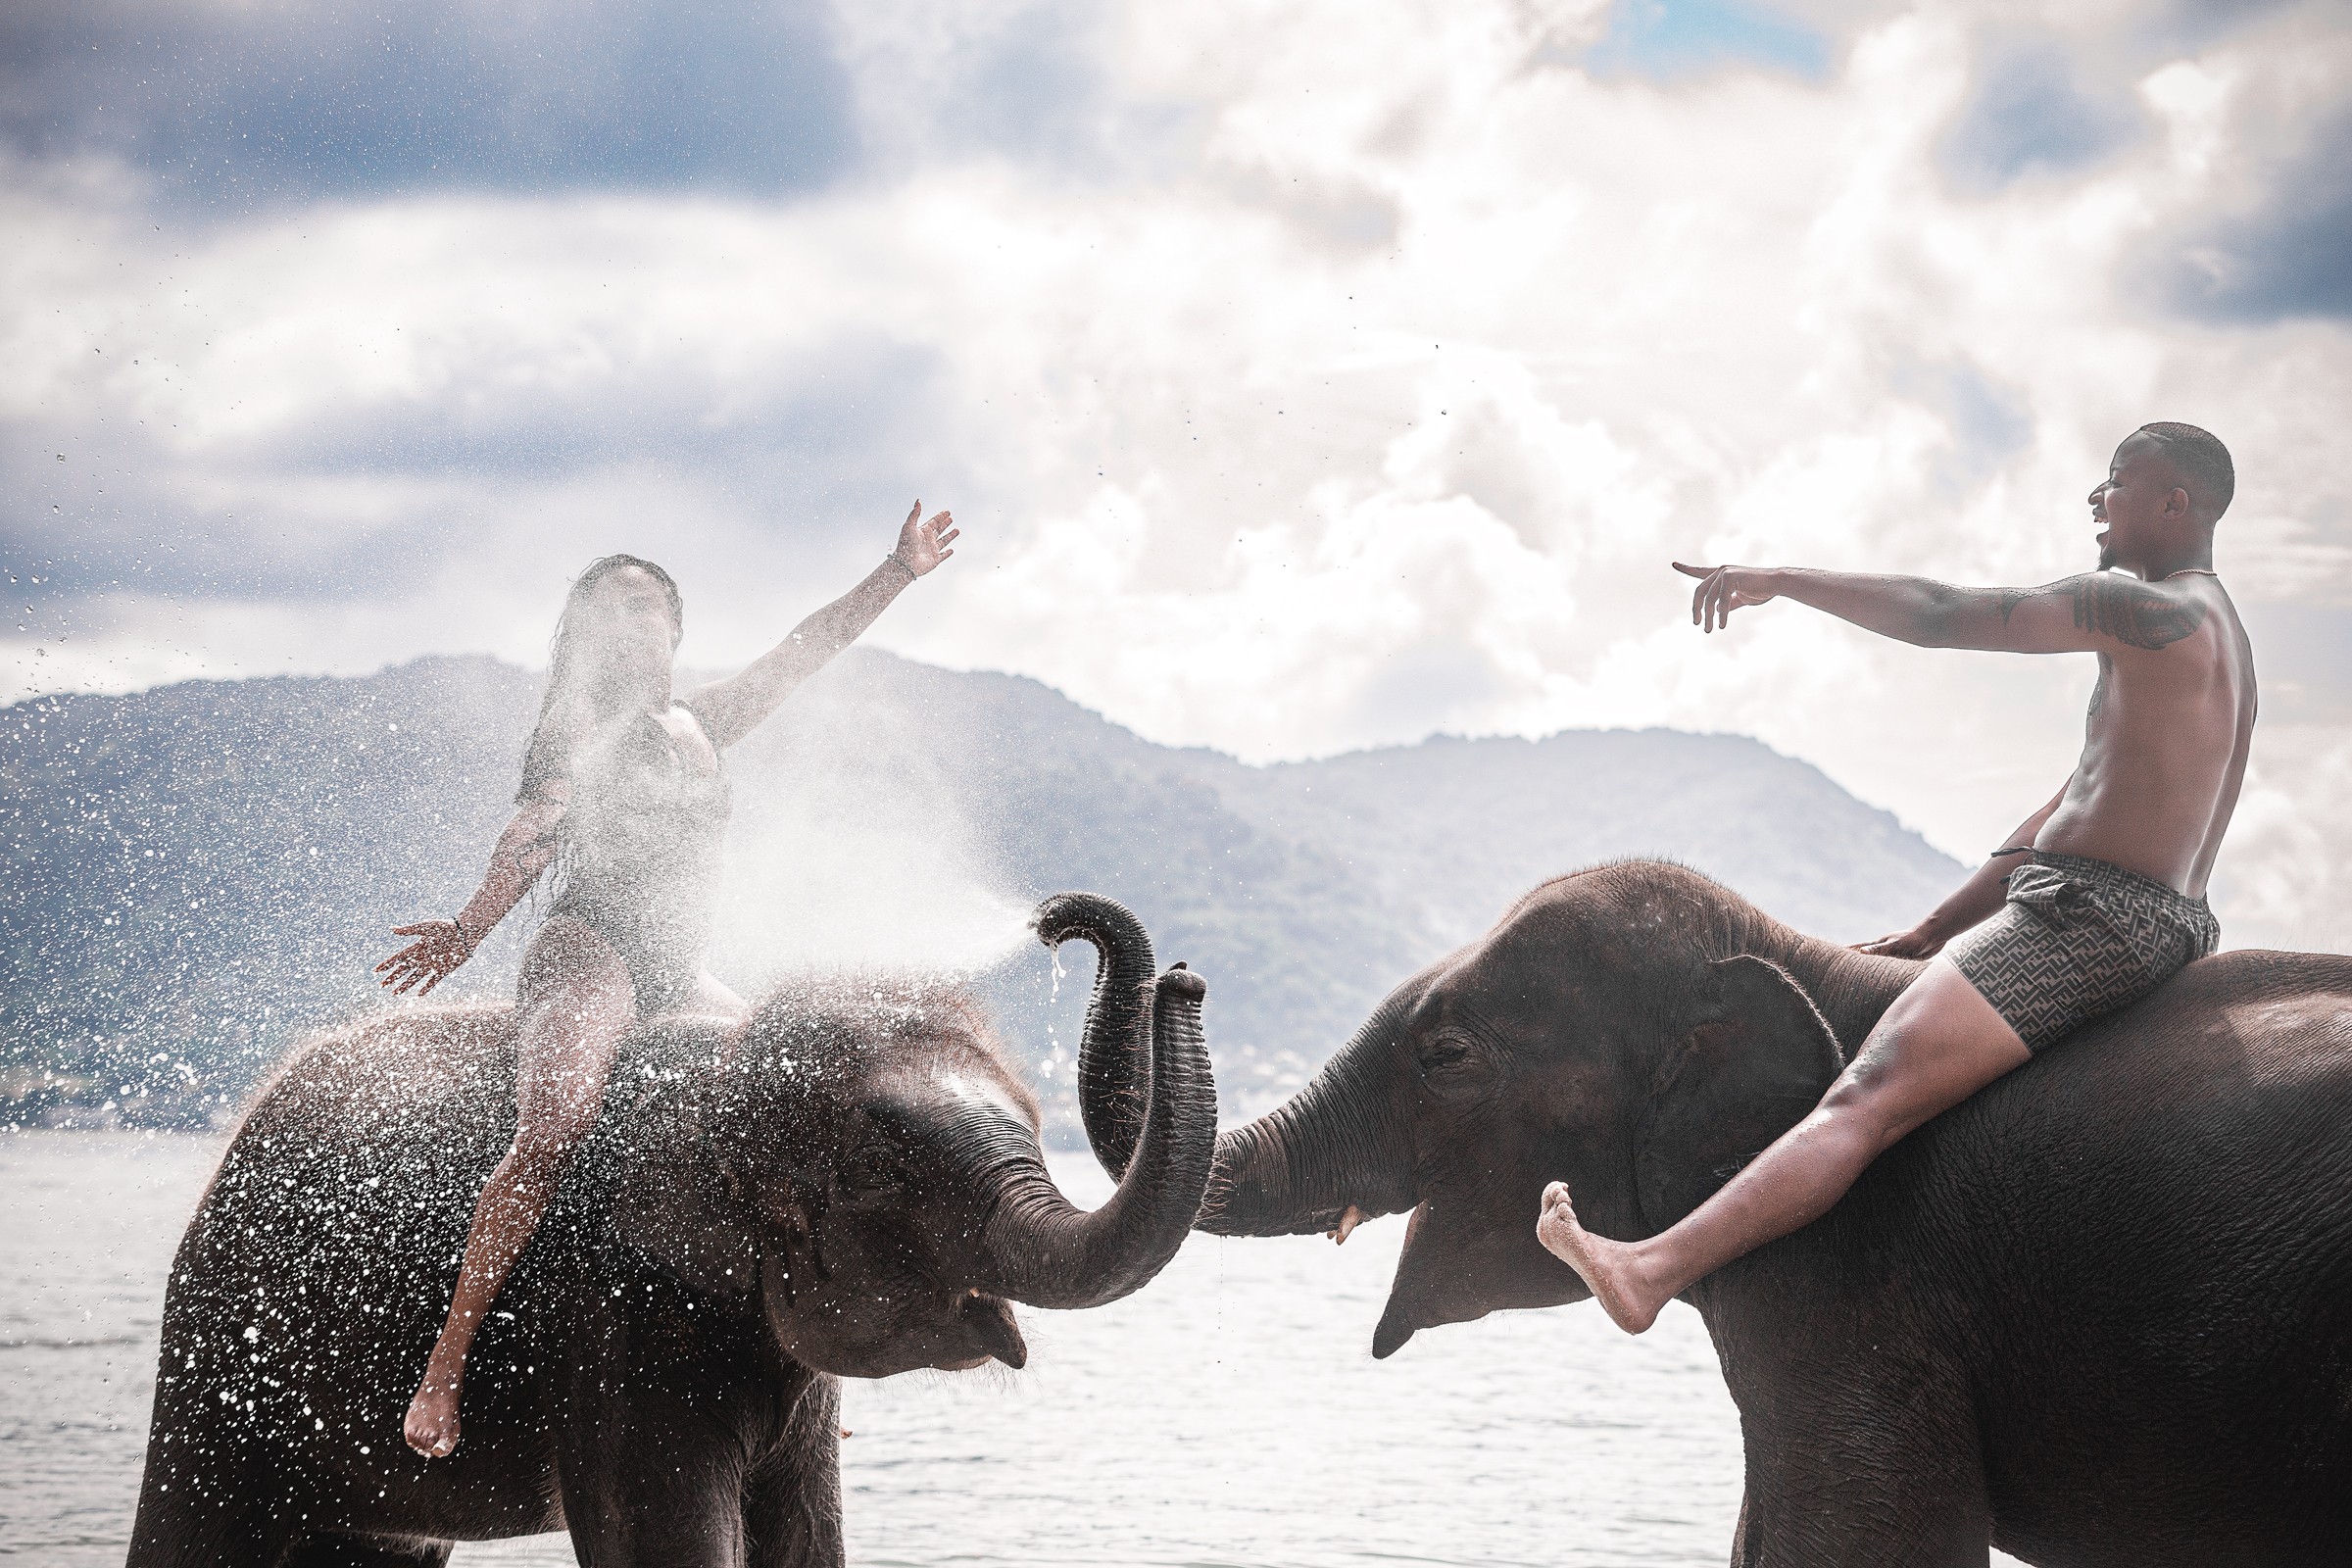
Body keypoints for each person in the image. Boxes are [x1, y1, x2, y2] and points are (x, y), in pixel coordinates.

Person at [1538, 422, 2252, 1333]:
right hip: (2167, 920)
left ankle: (1648, 1270)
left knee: (1864, 1101)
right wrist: (1934, 927)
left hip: (2090, 920)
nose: (2093, 500)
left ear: (2173, 503)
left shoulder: (2150, 611)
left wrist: (1779, 579)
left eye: (2113, 482)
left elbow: (1942, 613)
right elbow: (2080, 799)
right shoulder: (2227, 640)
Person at [375, 502, 960, 1456]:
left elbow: (806, 646)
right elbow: (531, 831)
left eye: (647, 602)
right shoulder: (577, 727)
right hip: (589, 950)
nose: (632, 618)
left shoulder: (705, 720)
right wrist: (471, 925)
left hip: (679, 969)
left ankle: (803, 1362)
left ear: (676, 626)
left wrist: (896, 570)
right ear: (590, 635)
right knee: (557, 1118)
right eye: (611, 606)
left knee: (815, 1097)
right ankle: (446, 1366)